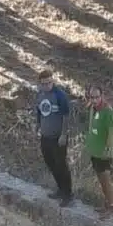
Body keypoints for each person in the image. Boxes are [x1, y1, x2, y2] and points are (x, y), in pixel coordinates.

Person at [35, 70, 73, 206]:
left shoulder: (59, 95)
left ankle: (68, 194)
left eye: (49, 83)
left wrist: (63, 134)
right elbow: (39, 112)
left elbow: (66, 116)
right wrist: (37, 126)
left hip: (58, 137)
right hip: (45, 136)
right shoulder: (40, 95)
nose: (47, 86)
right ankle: (60, 189)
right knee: (50, 163)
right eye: (44, 84)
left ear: (53, 81)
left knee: (61, 165)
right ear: (40, 84)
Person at [85, 84, 113, 219]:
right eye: (91, 97)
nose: (94, 100)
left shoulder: (108, 112)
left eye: (96, 97)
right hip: (95, 150)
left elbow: (110, 134)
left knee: (106, 180)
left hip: (104, 153)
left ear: (101, 96)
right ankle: (106, 205)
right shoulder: (93, 109)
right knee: (101, 180)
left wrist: (107, 149)